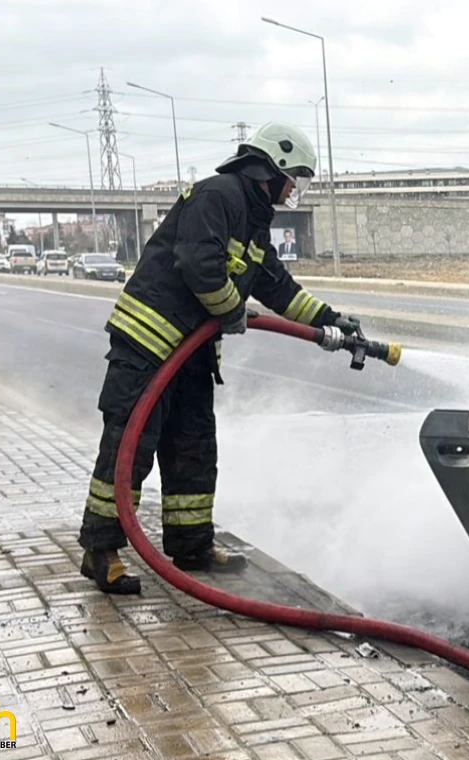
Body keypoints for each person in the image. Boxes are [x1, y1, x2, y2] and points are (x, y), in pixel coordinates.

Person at [77, 122, 361, 595]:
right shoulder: (217, 196)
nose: (294, 191)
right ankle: (100, 550)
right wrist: (232, 310)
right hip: (148, 347)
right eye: (294, 179)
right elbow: (198, 264)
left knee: (194, 448)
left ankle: (192, 546)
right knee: (130, 449)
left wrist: (331, 321)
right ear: (269, 169)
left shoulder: (252, 221)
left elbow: (276, 286)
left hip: (189, 355)